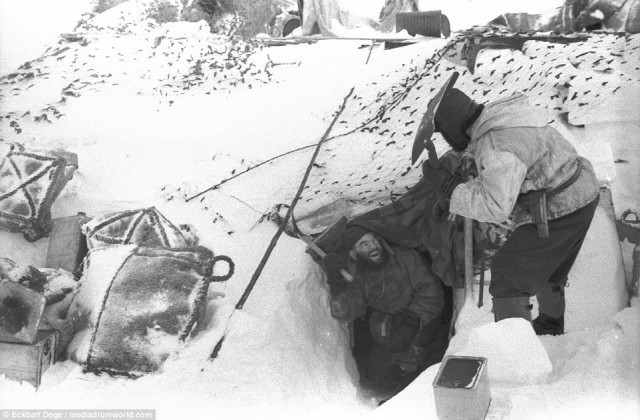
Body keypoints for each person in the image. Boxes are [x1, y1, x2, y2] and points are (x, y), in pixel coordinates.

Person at [422, 87, 600, 335]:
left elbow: (495, 206)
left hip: (562, 205)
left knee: (508, 276)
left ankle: (519, 359)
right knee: (551, 266)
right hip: (583, 189)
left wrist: (447, 186)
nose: (446, 140)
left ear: (453, 127)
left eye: (444, 133)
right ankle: (550, 326)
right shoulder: (507, 116)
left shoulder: (496, 144)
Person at [323, 225, 448, 392]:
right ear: (354, 254)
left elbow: (431, 292)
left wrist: (411, 322)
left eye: (374, 241)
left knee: (420, 365)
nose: (374, 247)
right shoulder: (359, 275)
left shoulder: (406, 258)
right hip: (387, 327)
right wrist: (335, 282)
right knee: (378, 378)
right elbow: (346, 312)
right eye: (364, 244)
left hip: (423, 317)